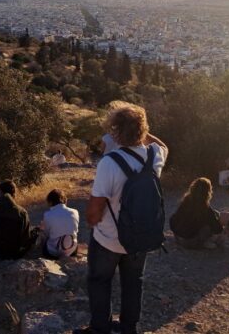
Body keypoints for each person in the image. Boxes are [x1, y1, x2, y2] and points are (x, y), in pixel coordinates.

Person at [74, 104, 168, 334]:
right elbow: (164, 145)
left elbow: (95, 210)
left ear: (115, 132)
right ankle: (128, 328)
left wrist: (91, 223)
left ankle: (100, 328)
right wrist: (142, 130)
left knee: (99, 281)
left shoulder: (109, 162)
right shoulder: (154, 155)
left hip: (108, 239)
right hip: (139, 237)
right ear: (143, 131)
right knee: (133, 282)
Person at [0, 180, 35, 259]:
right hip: (12, 253)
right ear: (14, 193)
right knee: (34, 233)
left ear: (0, 191)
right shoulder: (21, 212)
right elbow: (24, 240)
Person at [169, 177, 223, 249]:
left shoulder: (185, 201)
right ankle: (203, 243)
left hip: (178, 237)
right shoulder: (204, 208)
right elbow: (218, 229)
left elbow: (174, 219)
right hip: (190, 242)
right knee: (208, 226)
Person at [40, 188, 80, 259]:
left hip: (53, 252)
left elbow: (46, 234)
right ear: (65, 200)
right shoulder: (75, 212)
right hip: (71, 250)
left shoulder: (47, 215)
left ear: (50, 202)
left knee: (42, 234)